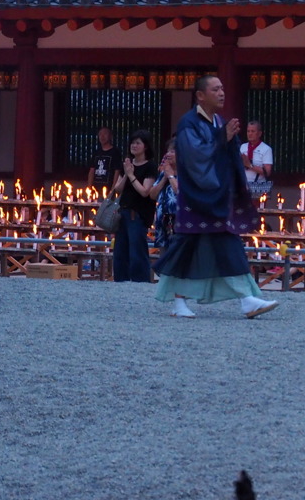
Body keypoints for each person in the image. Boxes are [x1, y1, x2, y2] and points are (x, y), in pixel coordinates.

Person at [153, 75, 278, 319]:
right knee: (187, 246)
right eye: (215, 89)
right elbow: (194, 157)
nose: (221, 93)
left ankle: (247, 299)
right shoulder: (188, 122)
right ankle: (186, 302)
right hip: (196, 195)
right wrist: (223, 138)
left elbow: (227, 153)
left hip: (216, 195)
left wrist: (228, 141)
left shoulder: (218, 121)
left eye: (222, 88)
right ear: (200, 95)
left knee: (224, 243)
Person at [111, 130, 157, 282]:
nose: (134, 146)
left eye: (138, 143)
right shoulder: (129, 165)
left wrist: (131, 175)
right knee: (119, 251)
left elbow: (145, 191)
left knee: (137, 251)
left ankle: (140, 283)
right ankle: (121, 281)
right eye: (132, 142)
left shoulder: (150, 166)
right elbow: (117, 189)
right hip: (123, 211)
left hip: (137, 213)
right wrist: (126, 173)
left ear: (146, 146)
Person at [148, 139, 180, 251]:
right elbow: (152, 194)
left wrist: (171, 176)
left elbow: (180, 193)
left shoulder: (187, 173)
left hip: (180, 222)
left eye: (173, 151)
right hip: (163, 223)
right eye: (168, 151)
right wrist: (165, 177)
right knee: (163, 258)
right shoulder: (164, 173)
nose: (168, 154)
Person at [240, 120, 273, 189]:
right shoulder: (243, 147)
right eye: (248, 131)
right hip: (243, 185)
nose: (250, 134)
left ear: (259, 133)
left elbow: (267, 172)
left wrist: (250, 165)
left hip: (259, 186)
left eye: (253, 131)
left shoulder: (266, 149)